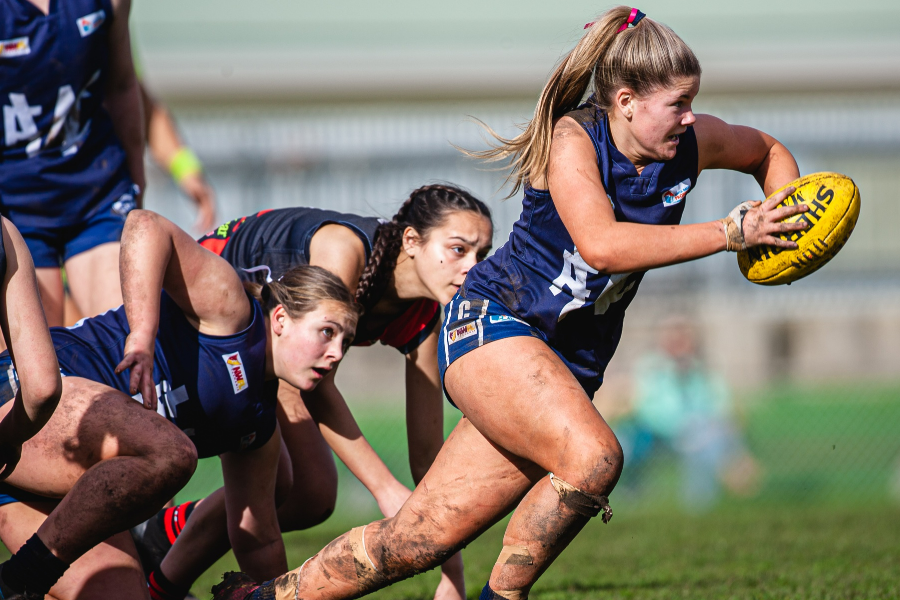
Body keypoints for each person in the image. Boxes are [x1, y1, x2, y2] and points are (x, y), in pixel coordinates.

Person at [211, 7, 811, 600]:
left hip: (566, 360)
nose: (688, 117)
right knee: (595, 457)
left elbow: (767, 151)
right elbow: (601, 247)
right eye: (677, 104)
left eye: (691, 101)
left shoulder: (693, 141)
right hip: (494, 326)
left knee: (418, 540)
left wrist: (784, 224)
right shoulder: (572, 140)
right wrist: (732, 232)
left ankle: (262, 599)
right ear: (625, 101)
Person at [134, 184, 493, 600]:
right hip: (205, 326)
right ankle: (167, 557)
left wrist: (452, 575)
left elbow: (426, 456)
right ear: (412, 241)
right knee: (306, 487)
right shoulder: (345, 250)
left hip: (266, 354)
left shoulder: (425, 314)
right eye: (459, 249)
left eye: (481, 255)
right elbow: (311, 384)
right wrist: (384, 488)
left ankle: (166, 542)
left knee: (310, 498)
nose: (473, 268)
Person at [0, 209, 360, 600]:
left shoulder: (256, 424)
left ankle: (14, 581)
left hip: (44, 482)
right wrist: (141, 335)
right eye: (327, 332)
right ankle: (17, 583)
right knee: (171, 454)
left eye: (345, 342)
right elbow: (144, 224)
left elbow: (259, 542)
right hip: (23, 408)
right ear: (281, 319)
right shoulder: (231, 311)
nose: (336, 353)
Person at [0, 0, 145, 327]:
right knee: (37, 365)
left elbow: (123, 85)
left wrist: (137, 176)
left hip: (97, 194)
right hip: (14, 210)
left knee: (128, 337)